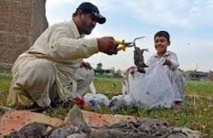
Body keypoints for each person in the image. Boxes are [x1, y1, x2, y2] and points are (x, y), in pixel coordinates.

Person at [7, 2, 118, 109]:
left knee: (87, 73)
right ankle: (39, 104)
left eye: (96, 21)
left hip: (55, 74)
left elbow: (67, 52)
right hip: (32, 69)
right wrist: (96, 44)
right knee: (42, 67)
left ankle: (62, 101)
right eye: (92, 18)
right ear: (79, 14)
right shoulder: (63, 28)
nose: (94, 23)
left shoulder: (79, 36)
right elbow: (58, 48)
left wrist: (78, 62)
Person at [127, 30, 185, 108]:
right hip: (159, 86)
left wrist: (167, 62)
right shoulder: (152, 58)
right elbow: (146, 71)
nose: (159, 43)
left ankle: (177, 102)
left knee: (175, 72)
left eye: (162, 41)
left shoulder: (171, 55)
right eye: (156, 41)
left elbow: (175, 65)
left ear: (168, 43)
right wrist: (136, 70)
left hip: (171, 82)